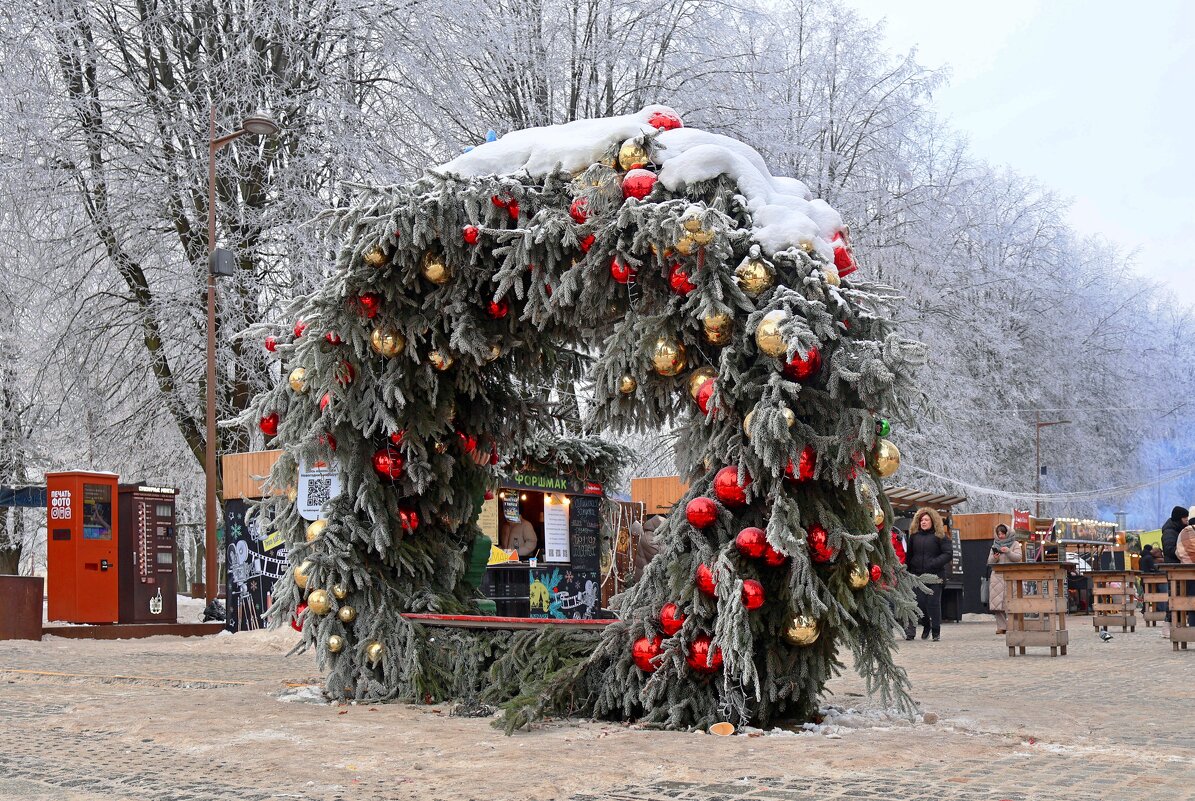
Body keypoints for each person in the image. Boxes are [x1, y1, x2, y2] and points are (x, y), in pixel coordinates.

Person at [903, 507, 953, 641]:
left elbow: (948, 554)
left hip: (935, 576)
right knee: (919, 603)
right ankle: (926, 625)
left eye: (926, 520)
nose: (923, 522)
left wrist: (934, 563)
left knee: (933, 603)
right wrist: (907, 571)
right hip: (917, 576)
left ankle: (936, 631)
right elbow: (909, 555)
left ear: (933, 521)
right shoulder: (914, 537)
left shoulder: (940, 536)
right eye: (921, 520)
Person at [987, 523, 1023, 634]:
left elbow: (1018, 557)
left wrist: (1008, 551)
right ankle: (1001, 627)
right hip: (997, 577)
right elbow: (989, 562)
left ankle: (1014, 626)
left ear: (1007, 533)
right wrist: (995, 558)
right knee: (997, 604)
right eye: (999, 533)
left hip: (1011, 576)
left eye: (1002, 533)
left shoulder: (1015, 543)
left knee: (1013, 603)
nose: (1001, 536)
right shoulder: (995, 544)